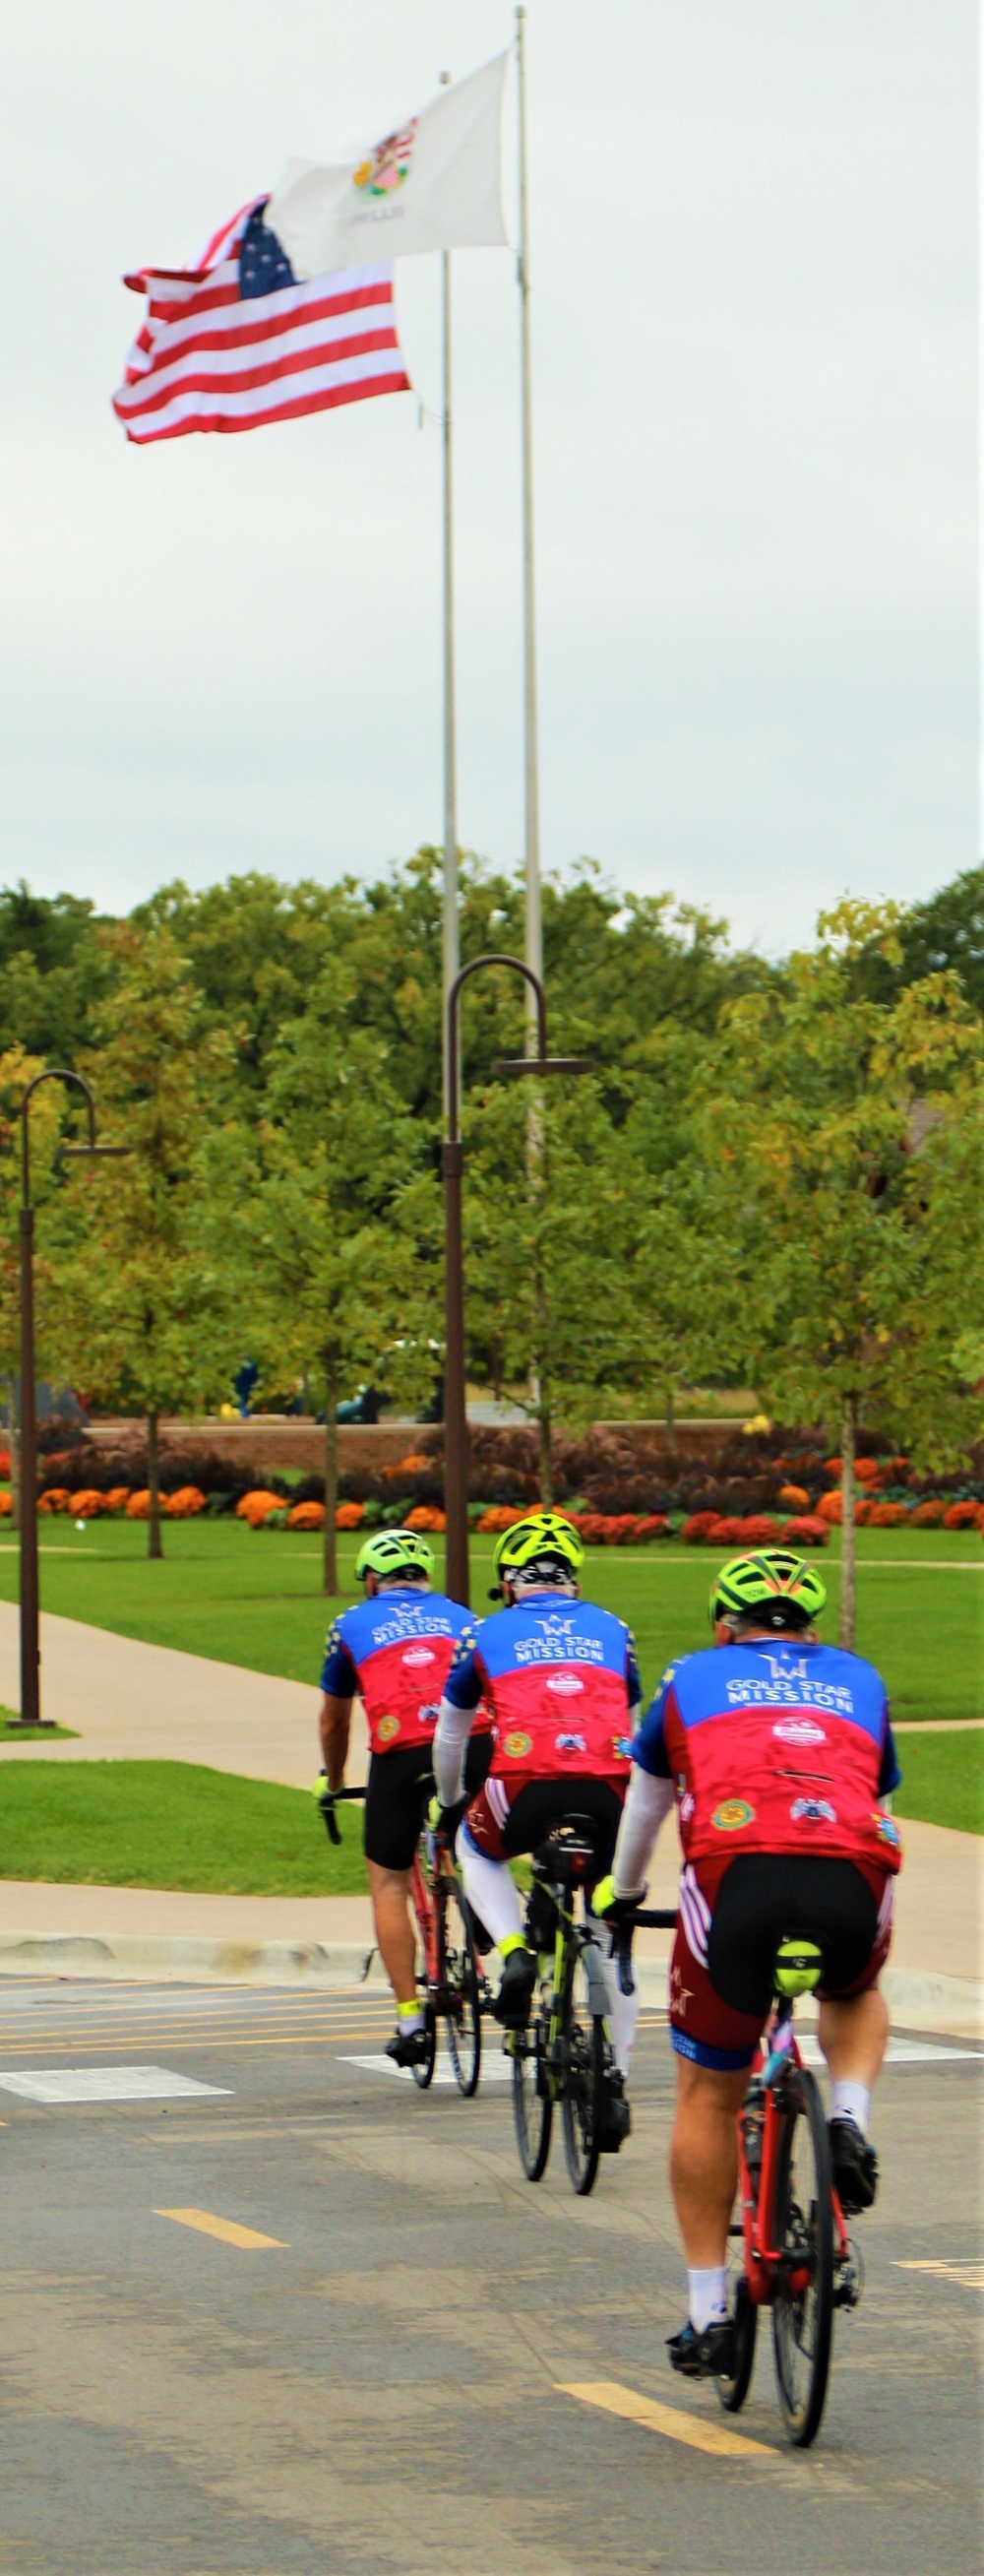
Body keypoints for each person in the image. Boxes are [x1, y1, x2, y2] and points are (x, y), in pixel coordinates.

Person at [595, 1545, 901, 2374]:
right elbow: (874, 1792)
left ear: (721, 1625)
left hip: (738, 1874)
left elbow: (646, 1807)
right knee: (857, 1984)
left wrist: (622, 1896)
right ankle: (849, 2120)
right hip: (852, 1867)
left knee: (708, 2091)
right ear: (808, 1625)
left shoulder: (688, 1678)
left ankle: (709, 2312)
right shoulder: (861, 1679)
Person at [433, 1509, 643, 2148]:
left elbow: (450, 1733)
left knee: (474, 1845)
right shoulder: (615, 1628)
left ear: (507, 1582)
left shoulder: (483, 1632)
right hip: (611, 1785)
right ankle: (614, 2082)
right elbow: (630, 1720)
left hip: (523, 1781)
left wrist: (449, 1803)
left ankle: (517, 1950)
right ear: (573, 1578)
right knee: (610, 1930)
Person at [315, 1528, 490, 2068]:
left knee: (388, 1884)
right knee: (483, 1853)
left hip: (400, 1750)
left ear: (371, 1579)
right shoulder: (465, 1617)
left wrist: (336, 1780)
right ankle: (486, 1921)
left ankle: (411, 2019)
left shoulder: (350, 1624)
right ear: (426, 1576)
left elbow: (335, 1718)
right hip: (472, 1744)